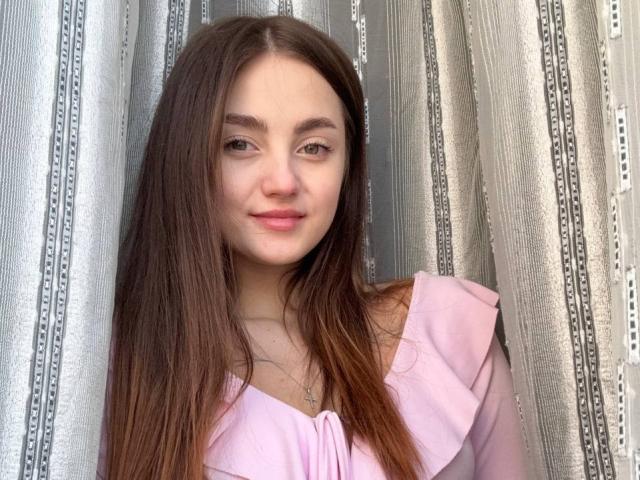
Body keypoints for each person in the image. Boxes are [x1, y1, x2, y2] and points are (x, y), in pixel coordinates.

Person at [97, 15, 527, 480]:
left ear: (348, 165)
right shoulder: (122, 367)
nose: (283, 182)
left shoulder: (447, 333)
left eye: (314, 147)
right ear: (187, 157)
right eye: (239, 144)